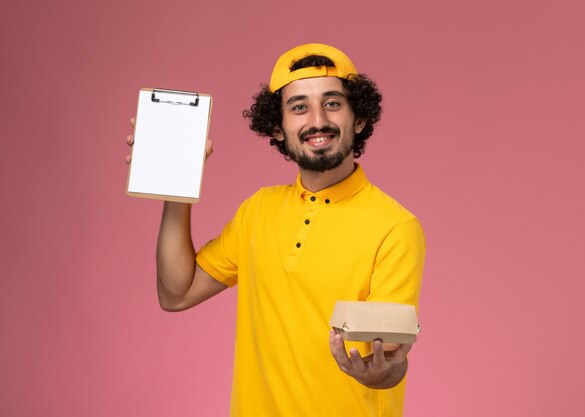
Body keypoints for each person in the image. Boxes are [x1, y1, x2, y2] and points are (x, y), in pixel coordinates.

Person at [126, 43, 426, 417]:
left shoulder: (395, 227)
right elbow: (177, 293)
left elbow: (391, 360)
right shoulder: (258, 210)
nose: (317, 120)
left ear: (359, 119)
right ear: (278, 128)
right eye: (299, 107)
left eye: (332, 103)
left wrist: (384, 372)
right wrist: (177, 185)